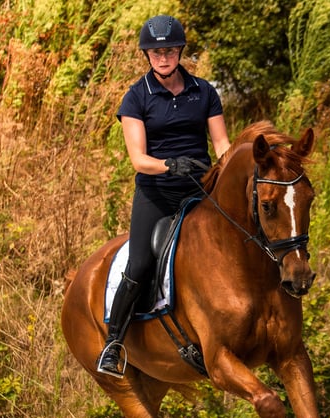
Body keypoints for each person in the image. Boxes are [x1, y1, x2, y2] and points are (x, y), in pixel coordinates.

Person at [97, 14, 231, 378]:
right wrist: (171, 165)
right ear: (147, 55)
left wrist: (228, 171)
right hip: (156, 193)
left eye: (170, 50)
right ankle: (114, 342)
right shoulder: (136, 96)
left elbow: (221, 144)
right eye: (156, 52)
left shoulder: (204, 91)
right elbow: (138, 159)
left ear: (179, 52)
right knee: (139, 262)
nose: (163, 57)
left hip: (201, 189)